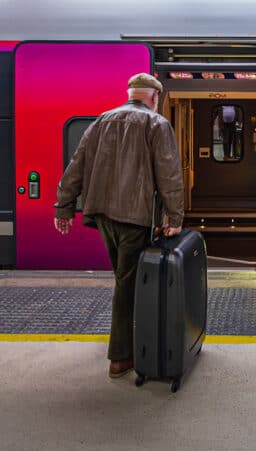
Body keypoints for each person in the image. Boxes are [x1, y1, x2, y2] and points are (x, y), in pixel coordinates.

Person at [53, 72, 185, 378]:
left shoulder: (102, 120)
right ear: (154, 97)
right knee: (127, 285)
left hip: (102, 215)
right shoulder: (157, 124)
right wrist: (174, 218)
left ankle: (134, 343)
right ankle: (121, 356)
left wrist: (64, 206)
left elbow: (77, 165)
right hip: (133, 217)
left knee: (124, 278)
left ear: (130, 94)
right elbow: (169, 175)